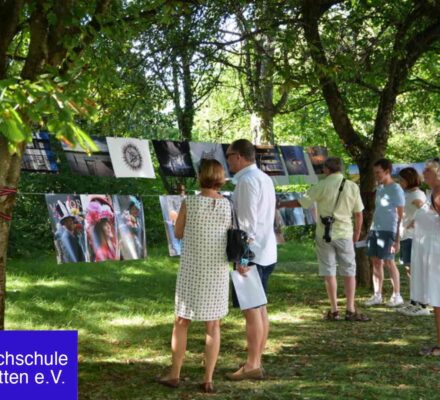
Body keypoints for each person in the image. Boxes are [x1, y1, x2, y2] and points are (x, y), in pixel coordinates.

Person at [158, 159, 231, 393]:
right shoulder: (227, 205)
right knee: (213, 325)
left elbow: (178, 233)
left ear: (200, 176)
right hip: (217, 271)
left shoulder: (190, 202)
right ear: (220, 177)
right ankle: (208, 379)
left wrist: (174, 217)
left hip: (192, 269)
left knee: (181, 321)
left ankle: (174, 374)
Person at [278, 157, 369, 321]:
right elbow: (358, 213)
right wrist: (357, 232)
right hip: (345, 233)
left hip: (324, 234)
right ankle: (350, 308)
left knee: (329, 272)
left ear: (327, 169)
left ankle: (334, 310)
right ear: (341, 169)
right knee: (349, 271)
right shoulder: (352, 186)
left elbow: (301, 202)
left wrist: (281, 204)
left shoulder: (321, 185)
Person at [225, 139, 276, 381]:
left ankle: (253, 363)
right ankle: (256, 358)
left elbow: (246, 224)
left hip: (252, 254)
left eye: (229, 155)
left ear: (239, 156)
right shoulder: (263, 178)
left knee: (252, 311)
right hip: (266, 250)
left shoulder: (246, 181)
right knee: (260, 309)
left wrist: (243, 256)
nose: (227, 161)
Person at [365, 159, 405, 307]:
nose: (376, 175)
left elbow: (401, 215)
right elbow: (379, 211)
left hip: (389, 231)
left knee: (389, 262)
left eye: (378, 173)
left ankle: (397, 295)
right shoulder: (380, 189)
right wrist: (371, 230)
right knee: (376, 262)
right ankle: (377, 295)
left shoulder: (396, 189)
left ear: (387, 171)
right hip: (376, 230)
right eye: (374, 173)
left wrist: (397, 238)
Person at [395, 167, 428, 316]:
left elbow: (427, 212)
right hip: (405, 235)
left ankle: (422, 304)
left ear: (409, 180)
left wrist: (414, 222)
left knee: (414, 270)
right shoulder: (407, 194)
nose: (400, 182)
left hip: (413, 236)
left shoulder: (417, 195)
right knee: (409, 270)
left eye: (401, 180)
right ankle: (414, 301)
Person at [416, 160, 440, 356]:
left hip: (437, 251)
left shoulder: (439, 195)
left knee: (438, 299)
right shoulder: (432, 193)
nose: (424, 174)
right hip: (432, 248)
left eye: (428, 171)